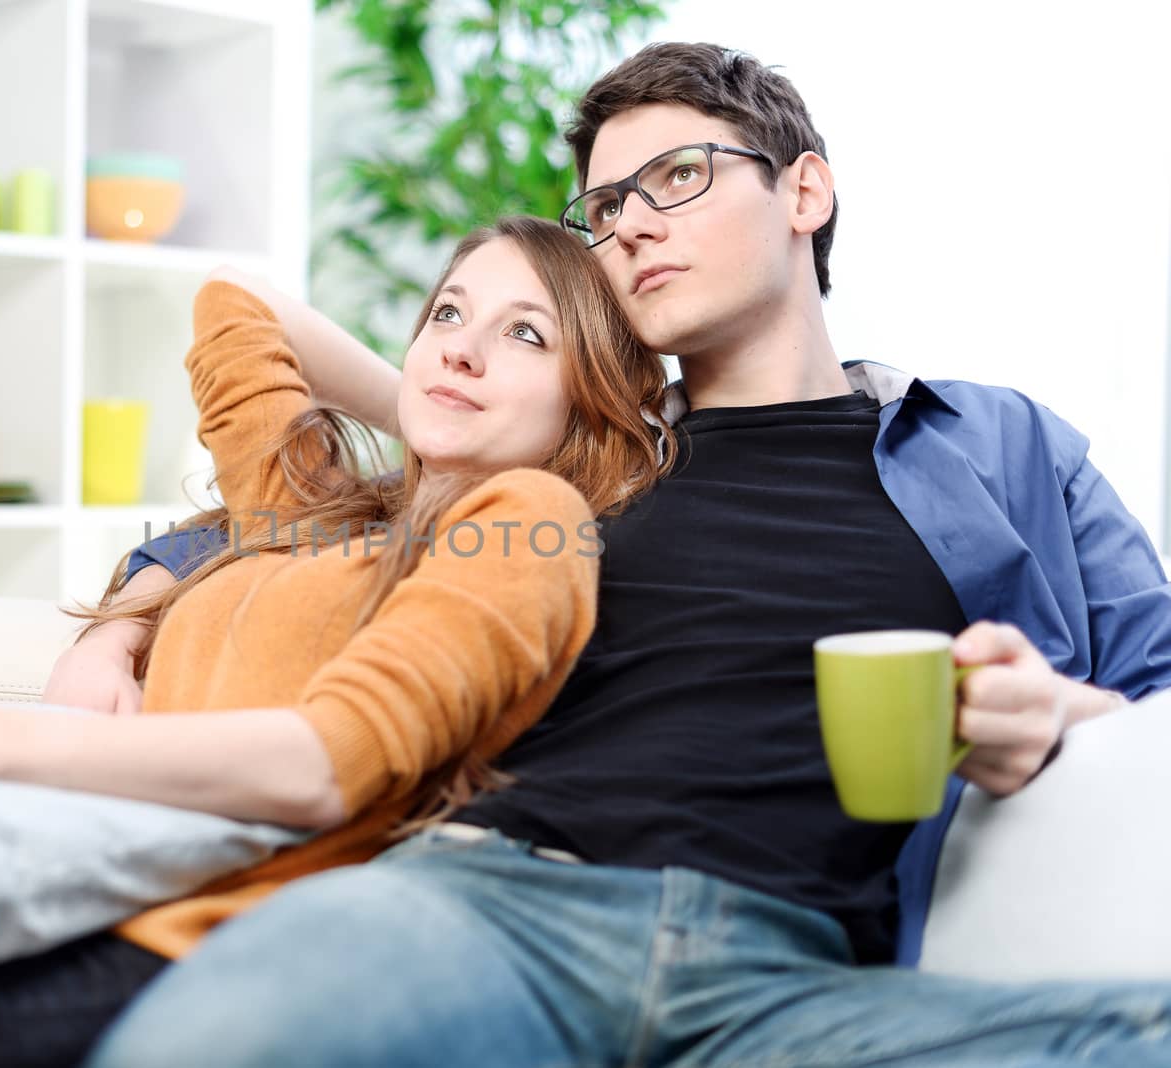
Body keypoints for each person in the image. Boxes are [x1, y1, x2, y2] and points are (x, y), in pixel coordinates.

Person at [82, 42, 1171, 1068]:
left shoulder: (1001, 448)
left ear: (803, 194)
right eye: (606, 208)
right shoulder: (574, 465)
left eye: (678, 176)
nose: (633, 226)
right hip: (495, 909)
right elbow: (307, 515)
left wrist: (1050, 716)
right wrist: (126, 620)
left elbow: (1155, 694)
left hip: (790, 982)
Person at [0, 216, 676, 1068]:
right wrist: (431, 410)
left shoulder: (529, 520)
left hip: (171, 941)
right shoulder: (308, 513)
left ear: (589, 399)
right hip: (37, 874)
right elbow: (236, 304)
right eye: (446, 314)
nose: (464, 350)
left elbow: (321, 765)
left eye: (523, 334)